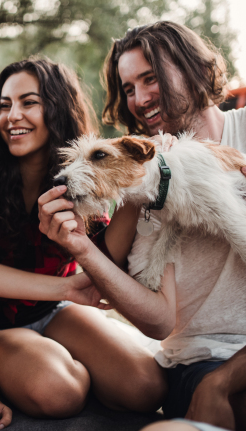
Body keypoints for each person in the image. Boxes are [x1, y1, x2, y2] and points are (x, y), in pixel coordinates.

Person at [0, 56, 166, 431]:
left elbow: (103, 264)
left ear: (57, 108)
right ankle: (48, 368)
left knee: (146, 388)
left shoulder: (83, 178)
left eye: (29, 102)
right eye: (5, 105)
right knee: (62, 392)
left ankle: (71, 364)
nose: (13, 116)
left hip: (58, 308)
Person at [38, 21, 246, 430]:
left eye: (150, 78)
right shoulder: (145, 181)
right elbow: (159, 321)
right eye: (128, 88)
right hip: (202, 362)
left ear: (196, 69)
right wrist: (81, 248)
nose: (139, 99)